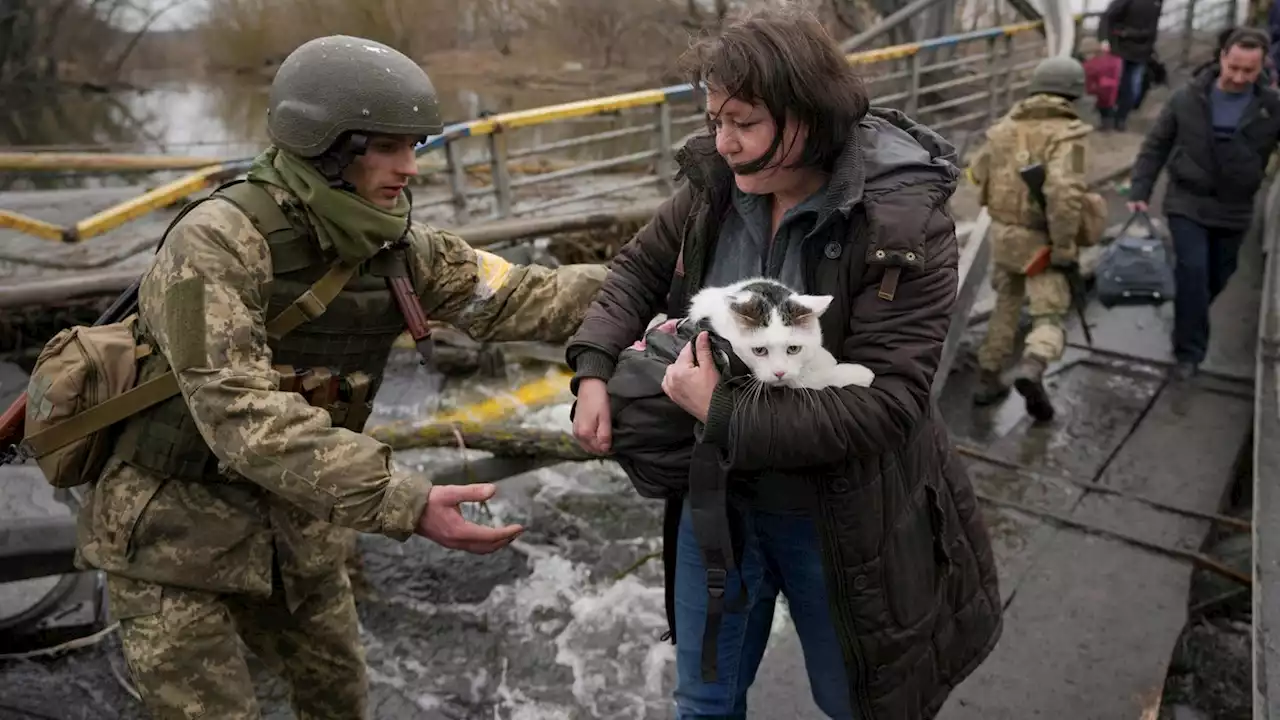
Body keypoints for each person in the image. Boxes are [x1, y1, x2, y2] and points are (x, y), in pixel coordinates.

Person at [73, 35, 607, 719]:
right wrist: (406, 501)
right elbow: (239, 414)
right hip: (171, 541)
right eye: (388, 147)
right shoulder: (216, 243)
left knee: (339, 702)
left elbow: (527, 296)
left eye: (415, 146)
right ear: (327, 146)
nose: (410, 168)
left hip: (299, 533)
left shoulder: (396, 248)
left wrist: (666, 279)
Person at [567, 7, 1003, 718]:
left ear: (809, 114)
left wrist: (726, 408)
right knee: (703, 701)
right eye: (714, 119)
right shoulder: (714, 189)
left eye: (744, 121)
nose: (723, 142)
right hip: (719, 500)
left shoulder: (900, 224)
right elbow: (635, 271)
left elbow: (891, 401)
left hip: (841, 516)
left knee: (856, 700)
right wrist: (591, 368)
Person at [1128, 27, 1280, 379]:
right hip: (1187, 201)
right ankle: (1189, 355)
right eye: (1234, 67)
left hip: (1236, 208)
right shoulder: (1187, 98)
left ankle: (1187, 316)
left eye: (1249, 71)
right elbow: (1156, 146)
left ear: (1262, 67)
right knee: (1193, 271)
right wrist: (1140, 190)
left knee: (1217, 277)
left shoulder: (1271, 107)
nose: (1239, 77)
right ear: (1223, 57)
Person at [967, 56, 1095, 422]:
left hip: (1005, 236)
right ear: (1073, 94)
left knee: (1005, 307)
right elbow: (1066, 195)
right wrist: (1065, 247)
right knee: (1049, 312)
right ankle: (1033, 365)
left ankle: (987, 379)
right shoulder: (1070, 136)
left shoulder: (1002, 130)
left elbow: (976, 176)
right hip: (1044, 241)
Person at [1097, 0, 1162, 130]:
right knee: (1111, 85)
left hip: (1140, 51)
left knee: (1133, 87)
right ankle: (1107, 118)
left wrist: (1150, 47)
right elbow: (1108, 17)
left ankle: (1121, 118)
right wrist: (1104, 39)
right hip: (1119, 47)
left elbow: (1152, 27)